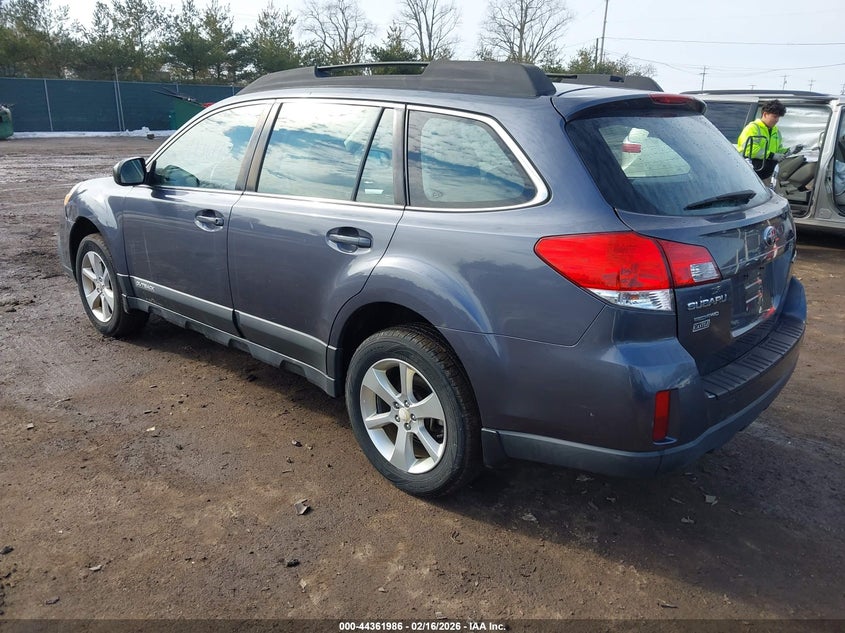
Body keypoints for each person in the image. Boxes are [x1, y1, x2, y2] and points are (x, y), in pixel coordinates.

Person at [736, 99, 801, 181]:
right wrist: (771, 155)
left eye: (778, 117)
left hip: (767, 175)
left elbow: (777, 151)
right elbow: (748, 149)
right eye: (775, 116)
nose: (777, 120)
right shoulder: (753, 128)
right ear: (765, 114)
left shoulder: (776, 131)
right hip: (751, 173)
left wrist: (789, 150)